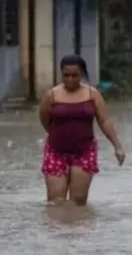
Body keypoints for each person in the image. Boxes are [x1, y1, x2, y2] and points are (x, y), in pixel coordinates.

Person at [38, 54, 125, 206]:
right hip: (55, 151)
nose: (70, 79)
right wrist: (59, 134)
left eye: (75, 75)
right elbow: (44, 119)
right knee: (55, 202)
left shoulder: (92, 94)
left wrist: (117, 146)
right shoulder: (51, 95)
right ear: (61, 74)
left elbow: (104, 121)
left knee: (78, 202)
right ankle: (57, 230)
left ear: (82, 74)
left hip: (84, 151)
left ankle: (77, 228)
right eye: (66, 75)